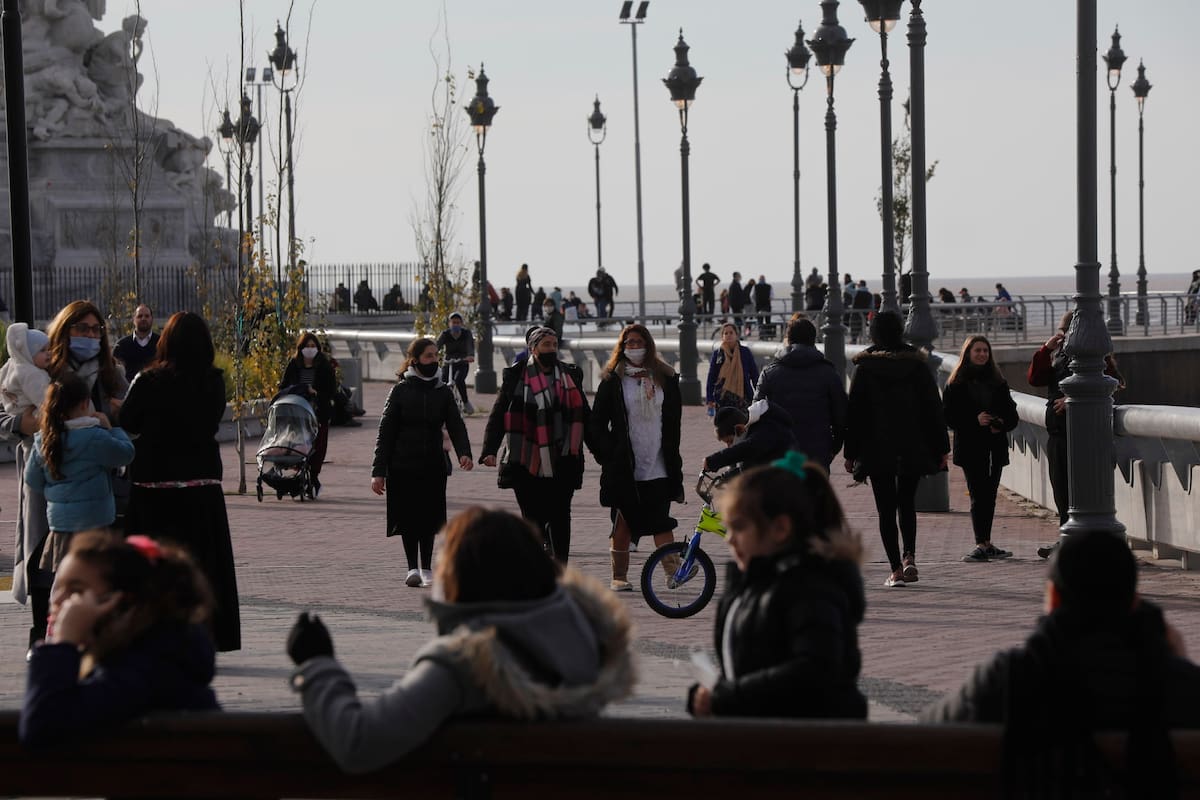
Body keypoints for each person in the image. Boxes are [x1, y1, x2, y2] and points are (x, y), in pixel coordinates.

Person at [286, 507, 635, 774]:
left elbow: (358, 742)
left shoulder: (465, 664)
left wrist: (317, 665)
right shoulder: (588, 643)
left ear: (458, 581)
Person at [922, 531, 1200, 797]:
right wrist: (1177, 660)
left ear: (1053, 598)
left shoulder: (1008, 679)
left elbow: (928, 734)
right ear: (1133, 602)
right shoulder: (1176, 685)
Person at [686, 452, 867, 719]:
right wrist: (708, 695)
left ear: (780, 529)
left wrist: (728, 696)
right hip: (765, 739)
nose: (730, 539)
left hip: (808, 746)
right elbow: (746, 665)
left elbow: (814, 671)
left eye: (739, 527)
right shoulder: (750, 585)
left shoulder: (810, 587)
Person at [19, 531, 219, 747]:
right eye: (58, 588)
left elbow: (43, 727)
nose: (57, 600)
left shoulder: (148, 668)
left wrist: (62, 644)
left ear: (120, 601)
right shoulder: (137, 658)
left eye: (76, 589)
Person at [119, 311, 242, 653]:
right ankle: (208, 633)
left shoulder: (148, 381)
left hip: (155, 488)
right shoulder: (213, 382)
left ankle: (149, 633)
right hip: (201, 486)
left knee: (151, 569)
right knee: (205, 566)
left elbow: (128, 418)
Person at [14, 300, 127, 660]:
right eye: (82, 329)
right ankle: (46, 635)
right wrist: (23, 424)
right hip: (54, 480)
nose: (91, 336)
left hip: (101, 486)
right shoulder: (42, 367)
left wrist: (117, 420)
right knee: (48, 562)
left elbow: (129, 421)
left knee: (100, 567)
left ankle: (97, 637)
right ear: (65, 330)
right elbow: (8, 415)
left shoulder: (113, 373)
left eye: (96, 330)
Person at [844, 312, 949, 588]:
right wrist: (941, 448)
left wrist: (850, 453)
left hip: (876, 448)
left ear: (874, 333)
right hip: (912, 445)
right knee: (906, 504)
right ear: (901, 331)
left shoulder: (865, 368)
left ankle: (895, 570)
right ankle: (909, 556)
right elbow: (933, 410)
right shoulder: (916, 366)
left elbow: (855, 413)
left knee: (885, 509)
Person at [480, 327, 589, 563]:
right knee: (533, 517)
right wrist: (489, 449)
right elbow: (499, 413)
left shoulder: (570, 375)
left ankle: (561, 568)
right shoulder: (517, 375)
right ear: (533, 348)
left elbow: (584, 416)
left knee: (561, 515)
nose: (551, 349)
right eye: (546, 344)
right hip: (525, 459)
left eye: (554, 344)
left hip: (563, 457)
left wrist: (603, 450)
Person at [372, 338, 473, 587]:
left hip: (433, 464)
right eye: (428, 356)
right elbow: (385, 433)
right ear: (415, 359)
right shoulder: (400, 390)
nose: (434, 360)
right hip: (402, 465)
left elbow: (456, 424)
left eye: (436, 356)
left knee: (429, 518)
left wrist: (464, 452)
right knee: (408, 518)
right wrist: (378, 471)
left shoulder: (442, 391)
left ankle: (427, 568)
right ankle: (411, 568)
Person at [590, 324, 683, 592]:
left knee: (660, 519)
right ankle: (619, 575)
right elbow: (596, 424)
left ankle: (673, 572)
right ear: (622, 346)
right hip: (626, 465)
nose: (634, 347)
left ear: (649, 344)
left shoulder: (663, 376)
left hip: (659, 461)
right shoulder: (612, 380)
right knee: (624, 521)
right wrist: (608, 454)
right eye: (628, 342)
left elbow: (673, 419)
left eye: (639, 342)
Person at [1027, 312, 1126, 557]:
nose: (1066, 337)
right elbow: (1035, 379)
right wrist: (1044, 350)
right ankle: (1066, 537)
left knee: (1081, 492)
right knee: (1061, 490)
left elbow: (1112, 387)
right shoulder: (1057, 357)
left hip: (1084, 438)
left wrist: (1073, 400)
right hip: (1058, 434)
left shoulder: (1098, 360)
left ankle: (1081, 543)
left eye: (1069, 332)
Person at [25, 372, 135, 567]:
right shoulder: (95, 437)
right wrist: (112, 428)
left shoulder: (44, 440)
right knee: (97, 576)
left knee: (64, 576)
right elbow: (125, 454)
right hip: (95, 521)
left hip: (60, 523)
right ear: (85, 403)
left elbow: (33, 479)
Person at [943, 335, 1019, 563]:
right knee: (978, 494)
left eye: (985, 351)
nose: (982, 354)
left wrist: (1000, 423)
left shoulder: (998, 381)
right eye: (978, 351)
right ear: (968, 353)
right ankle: (980, 542)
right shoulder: (955, 384)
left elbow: (1012, 414)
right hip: (971, 447)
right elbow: (948, 417)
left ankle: (987, 542)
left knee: (991, 494)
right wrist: (974, 420)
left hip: (995, 446)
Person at [753, 317, 846, 471]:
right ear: (813, 339)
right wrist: (834, 446)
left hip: (780, 450)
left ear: (788, 339)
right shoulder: (828, 372)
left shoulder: (770, 372)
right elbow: (841, 414)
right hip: (818, 449)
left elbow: (755, 413)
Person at [279, 331, 337, 497]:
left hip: (318, 412)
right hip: (297, 412)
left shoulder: (324, 365)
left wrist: (316, 392)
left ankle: (313, 476)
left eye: (313, 346)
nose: (310, 349)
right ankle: (300, 472)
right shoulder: (294, 364)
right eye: (307, 346)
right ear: (301, 348)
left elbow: (331, 390)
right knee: (299, 445)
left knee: (318, 446)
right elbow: (284, 386)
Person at [702, 399, 795, 475]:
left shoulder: (768, 427)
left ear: (739, 429)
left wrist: (714, 461)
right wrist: (730, 475)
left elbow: (748, 448)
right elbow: (751, 462)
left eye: (730, 441)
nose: (729, 446)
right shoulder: (755, 426)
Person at [705, 322, 758, 413]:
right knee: (724, 425)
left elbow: (754, 374)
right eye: (726, 333)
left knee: (743, 424)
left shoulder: (745, 352)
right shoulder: (718, 354)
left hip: (742, 396)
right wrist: (710, 398)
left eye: (731, 333)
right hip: (723, 397)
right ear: (722, 337)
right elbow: (712, 376)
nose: (728, 335)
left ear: (736, 335)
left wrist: (758, 395)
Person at [0, 322, 51, 415]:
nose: (49, 353)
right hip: (32, 413)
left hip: (13, 412)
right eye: (42, 350)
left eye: (49, 349)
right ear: (28, 353)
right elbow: (43, 400)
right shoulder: (32, 374)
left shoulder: (12, 364)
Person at [435, 312, 476, 415]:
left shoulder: (466, 333)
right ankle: (440, 404)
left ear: (461, 324)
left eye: (458, 322)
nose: (455, 325)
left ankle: (466, 402)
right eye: (453, 322)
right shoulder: (445, 334)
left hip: (462, 362)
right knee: (443, 381)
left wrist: (470, 356)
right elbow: (436, 346)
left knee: (459, 380)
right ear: (449, 323)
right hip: (448, 362)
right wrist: (433, 355)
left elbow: (470, 346)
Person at [111, 304, 159, 383]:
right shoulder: (121, 346)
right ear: (134, 320)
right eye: (140, 316)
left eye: (147, 316)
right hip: (128, 393)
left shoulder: (161, 343)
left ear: (152, 319)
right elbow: (113, 375)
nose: (143, 318)